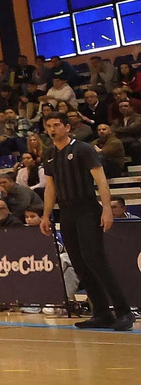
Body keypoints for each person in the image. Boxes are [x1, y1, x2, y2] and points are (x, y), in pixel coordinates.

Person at [39, 112, 131, 331]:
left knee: (95, 259)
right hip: (67, 213)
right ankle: (101, 313)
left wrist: (107, 209)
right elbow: (51, 187)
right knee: (79, 263)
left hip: (87, 209)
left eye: (57, 125)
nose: (52, 129)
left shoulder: (82, 149)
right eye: (49, 126)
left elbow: (100, 179)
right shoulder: (50, 154)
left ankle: (124, 311)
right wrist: (45, 215)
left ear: (67, 127)